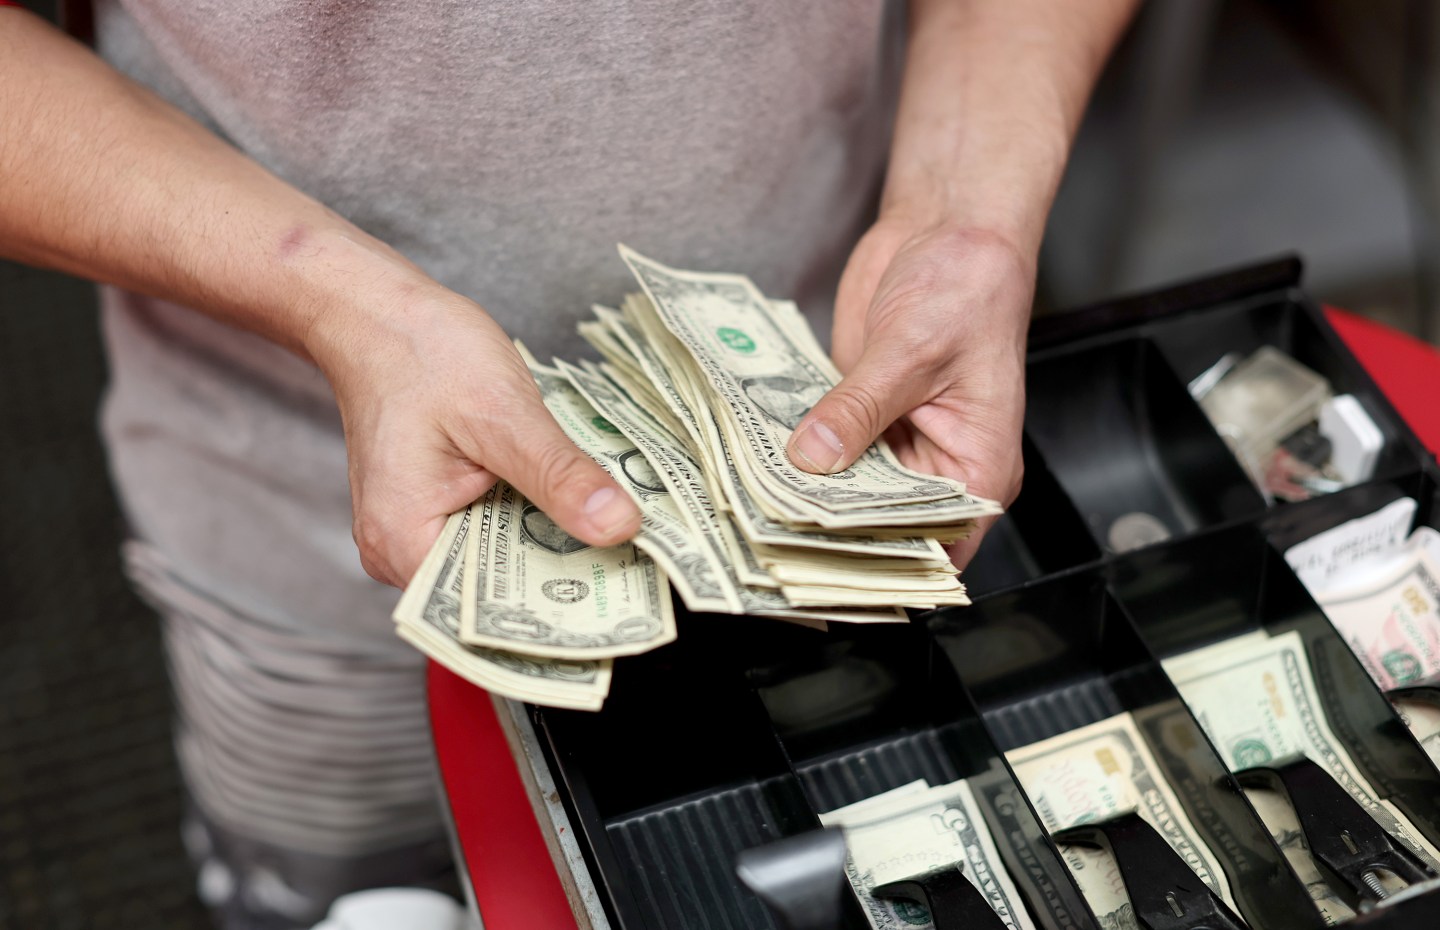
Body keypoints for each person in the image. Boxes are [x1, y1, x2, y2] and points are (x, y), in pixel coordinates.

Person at [0, 0, 1137, 926]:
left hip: (822, 446)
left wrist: (965, 211)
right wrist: (332, 301)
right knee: (345, 892)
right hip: (303, 527)